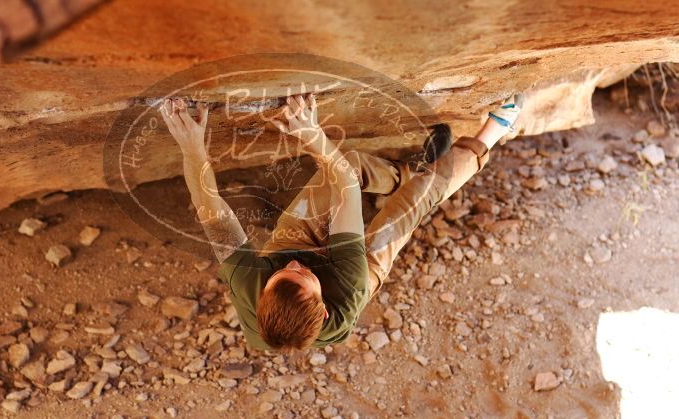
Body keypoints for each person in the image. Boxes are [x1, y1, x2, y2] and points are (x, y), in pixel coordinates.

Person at [159, 93, 522, 351]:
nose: (297, 265)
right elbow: (345, 189)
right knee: (418, 197)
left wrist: (192, 146)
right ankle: (490, 135)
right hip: (356, 263)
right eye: (304, 277)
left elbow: (209, 207)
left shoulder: (248, 281)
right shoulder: (349, 288)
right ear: (325, 303)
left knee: (348, 162)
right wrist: (312, 134)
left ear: (263, 292)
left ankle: (404, 173)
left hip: (294, 238)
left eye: (284, 274)